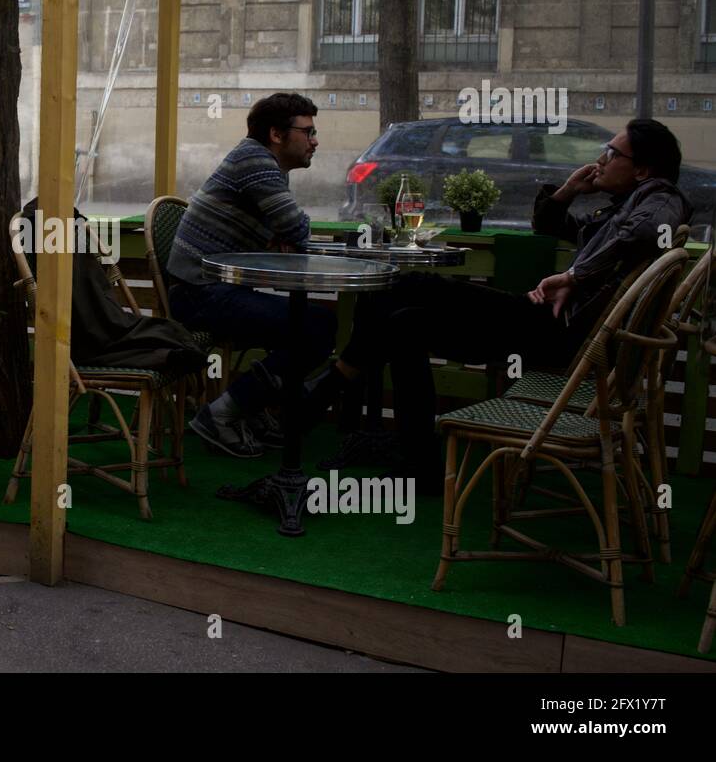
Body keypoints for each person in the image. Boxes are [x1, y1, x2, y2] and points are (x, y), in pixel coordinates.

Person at [306, 118, 694, 485]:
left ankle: (335, 400)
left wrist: (576, 277)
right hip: (544, 321)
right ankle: (386, 433)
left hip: (560, 337)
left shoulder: (660, 200)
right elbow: (549, 227)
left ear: (642, 169)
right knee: (397, 298)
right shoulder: (628, 202)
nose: (600, 160)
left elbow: (645, 232)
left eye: (611, 153)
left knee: (400, 305)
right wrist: (569, 191)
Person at [166, 92, 336, 458]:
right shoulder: (255, 162)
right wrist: (288, 232)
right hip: (198, 294)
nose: (315, 141)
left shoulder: (262, 164)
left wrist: (283, 234)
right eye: (307, 132)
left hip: (208, 289)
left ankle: (248, 408)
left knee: (311, 325)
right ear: (276, 134)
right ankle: (223, 413)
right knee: (317, 327)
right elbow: (295, 228)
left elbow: (287, 232)